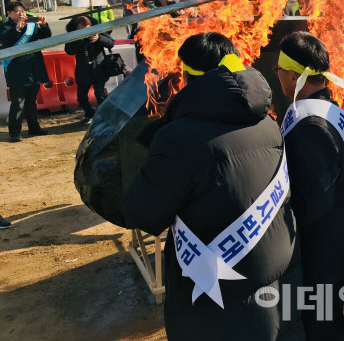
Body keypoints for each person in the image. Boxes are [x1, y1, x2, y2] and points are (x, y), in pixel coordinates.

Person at [122, 32, 304, 340]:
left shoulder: (178, 138)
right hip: (279, 271)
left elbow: (142, 213)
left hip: (217, 298)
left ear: (188, 76)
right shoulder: (268, 121)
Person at [275, 32, 344, 341]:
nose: (277, 76)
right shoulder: (330, 107)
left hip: (321, 249)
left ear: (293, 74)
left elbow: (314, 201)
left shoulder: (310, 124)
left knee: (322, 327)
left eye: (278, 70)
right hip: (333, 239)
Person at [0, 2, 51, 142]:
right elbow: (4, 40)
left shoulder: (31, 25)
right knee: (18, 102)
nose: (21, 14)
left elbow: (46, 37)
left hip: (34, 67)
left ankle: (34, 128)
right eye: (17, 12)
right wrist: (17, 28)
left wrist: (44, 25)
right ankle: (15, 132)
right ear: (9, 13)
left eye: (22, 11)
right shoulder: (4, 27)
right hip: (17, 70)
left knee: (31, 101)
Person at [64, 16, 115, 124]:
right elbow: (69, 50)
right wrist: (79, 39)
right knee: (81, 97)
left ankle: (104, 116)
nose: (86, 32)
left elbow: (111, 43)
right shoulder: (73, 36)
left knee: (100, 94)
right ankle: (89, 114)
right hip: (83, 70)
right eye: (82, 29)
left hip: (99, 67)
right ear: (76, 29)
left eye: (88, 28)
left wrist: (99, 38)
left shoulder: (98, 30)